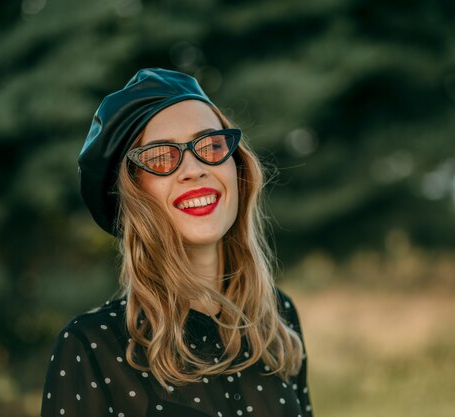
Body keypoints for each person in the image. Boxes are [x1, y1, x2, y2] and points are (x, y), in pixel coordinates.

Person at [40, 68, 313, 417]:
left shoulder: (278, 318)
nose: (194, 168)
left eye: (211, 145)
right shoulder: (91, 347)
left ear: (238, 168)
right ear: (133, 193)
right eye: (160, 157)